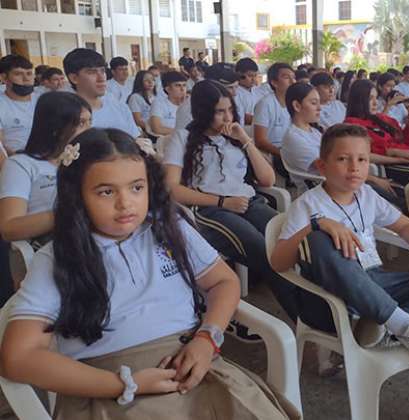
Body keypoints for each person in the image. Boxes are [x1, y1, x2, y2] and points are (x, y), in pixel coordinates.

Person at [0, 127, 298, 420]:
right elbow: (18, 358)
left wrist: (207, 338)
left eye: (136, 187)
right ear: (76, 195)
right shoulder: (57, 258)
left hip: (192, 364)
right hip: (110, 390)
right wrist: (125, 384)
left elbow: (223, 281)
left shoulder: (168, 229)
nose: (125, 203)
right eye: (106, 191)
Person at [270, 123, 409, 371]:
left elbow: (406, 227)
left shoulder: (367, 195)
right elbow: (278, 262)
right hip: (331, 300)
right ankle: (402, 326)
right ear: (322, 166)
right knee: (318, 240)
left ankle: (384, 329)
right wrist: (316, 225)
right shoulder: (308, 205)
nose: (354, 167)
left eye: (362, 159)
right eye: (343, 159)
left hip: (374, 283)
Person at [163, 80, 300, 342]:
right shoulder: (182, 138)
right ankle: (308, 323)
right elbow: (171, 189)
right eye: (219, 112)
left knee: (293, 242)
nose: (227, 117)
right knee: (268, 255)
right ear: (203, 111)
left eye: (230, 110)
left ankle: (319, 315)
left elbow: (268, 180)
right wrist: (221, 202)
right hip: (210, 211)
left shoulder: (235, 137)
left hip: (249, 202)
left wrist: (245, 139)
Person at [0, 92, 91, 244]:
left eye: (90, 122)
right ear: (56, 127)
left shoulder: (91, 160)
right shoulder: (21, 165)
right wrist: (72, 212)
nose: (90, 130)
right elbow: (9, 228)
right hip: (54, 244)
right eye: (81, 123)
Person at [344, 79, 409, 187]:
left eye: (376, 97)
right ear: (359, 100)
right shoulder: (351, 125)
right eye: (370, 99)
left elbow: (406, 142)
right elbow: (363, 154)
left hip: (408, 158)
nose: (375, 102)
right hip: (391, 166)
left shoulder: (380, 118)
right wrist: (396, 156)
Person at [63, 48, 139, 138]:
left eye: (102, 71)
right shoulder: (65, 115)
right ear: (74, 78)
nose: (101, 78)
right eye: (92, 72)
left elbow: (134, 140)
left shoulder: (120, 108)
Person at [253, 62, 295, 178]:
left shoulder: (295, 104)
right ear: (274, 82)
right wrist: (284, 153)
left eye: (293, 77)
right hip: (275, 153)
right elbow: (260, 141)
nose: (292, 81)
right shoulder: (265, 104)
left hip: (293, 148)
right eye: (286, 77)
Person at [281, 83, 324, 191]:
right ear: (297, 106)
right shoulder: (293, 138)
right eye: (314, 103)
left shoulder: (314, 132)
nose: (319, 108)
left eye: (319, 103)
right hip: (320, 190)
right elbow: (325, 166)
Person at [0, 54, 40, 153]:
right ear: (4, 78)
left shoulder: (42, 100)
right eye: (18, 74)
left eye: (29, 73)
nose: (26, 79)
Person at [148, 71, 187, 137]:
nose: (182, 89)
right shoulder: (159, 104)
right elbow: (157, 128)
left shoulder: (189, 104)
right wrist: (182, 133)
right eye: (178, 85)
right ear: (168, 89)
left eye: (184, 85)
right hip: (167, 140)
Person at [235, 57, 262, 126]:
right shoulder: (236, 93)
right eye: (250, 76)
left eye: (255, 75)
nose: (253, 79)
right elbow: (243, 117)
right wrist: (264, 120)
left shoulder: (257, 90)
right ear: (240, 75)